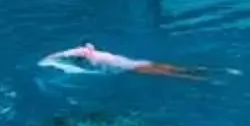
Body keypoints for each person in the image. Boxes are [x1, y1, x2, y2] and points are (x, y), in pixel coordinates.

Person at [39, 42, 208, 80]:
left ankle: (198, 77)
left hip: (133, 68)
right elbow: (85, 47)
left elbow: (48, 60)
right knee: (171, 69)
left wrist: (56, 59)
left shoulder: (93, 60)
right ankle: (201, 69)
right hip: (135, 62)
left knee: (169, 74)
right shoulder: (94, 52)